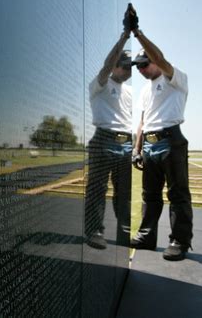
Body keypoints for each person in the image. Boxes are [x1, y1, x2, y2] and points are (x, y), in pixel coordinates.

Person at [127, 4, 193, 261]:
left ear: (154, 60)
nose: (141, 70)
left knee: (177, 194)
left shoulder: (173, 76)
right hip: (151, 145)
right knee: (149, 195)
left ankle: (179, 240)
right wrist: (136, 149)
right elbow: (142, 121)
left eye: (144, 64)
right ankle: (146, 236)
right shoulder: (145, 90)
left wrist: (137, 32)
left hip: (172, 141)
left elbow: (162, 58)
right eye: (138, 67)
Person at [85, 27, 132, 250]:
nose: (129, 70)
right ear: (114, 66)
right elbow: (106, 64)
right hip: (103, 138)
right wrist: (124, 37)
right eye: (124, 65)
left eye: (130, 66)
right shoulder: (99, 84)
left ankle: (123, 234)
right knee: (97, 188)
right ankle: (95, 231)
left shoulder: (130, 92)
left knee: (124, 192)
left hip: (125, 141)